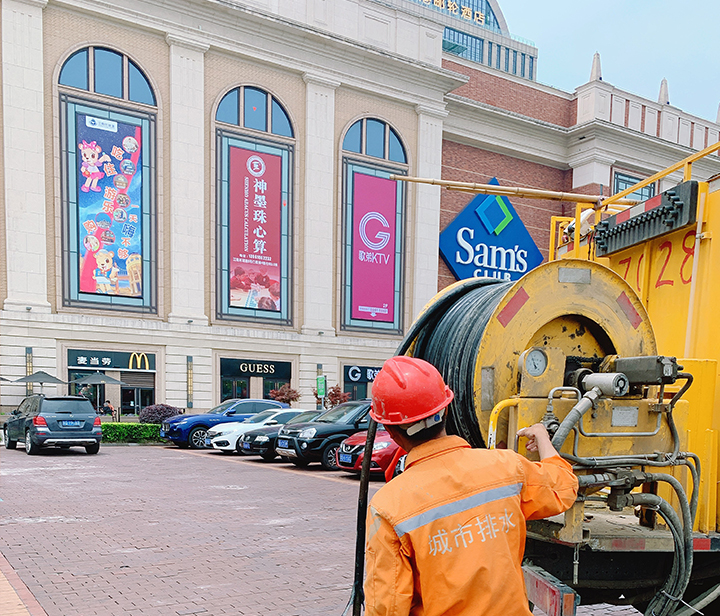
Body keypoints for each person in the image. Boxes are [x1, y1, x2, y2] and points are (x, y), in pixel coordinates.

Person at [364, 356, 578, 616]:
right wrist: (543, 438)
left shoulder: (389, 506)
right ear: (444, 410)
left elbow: (386, 608)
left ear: (390, 430)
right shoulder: (507, 467)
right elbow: (562, 489)